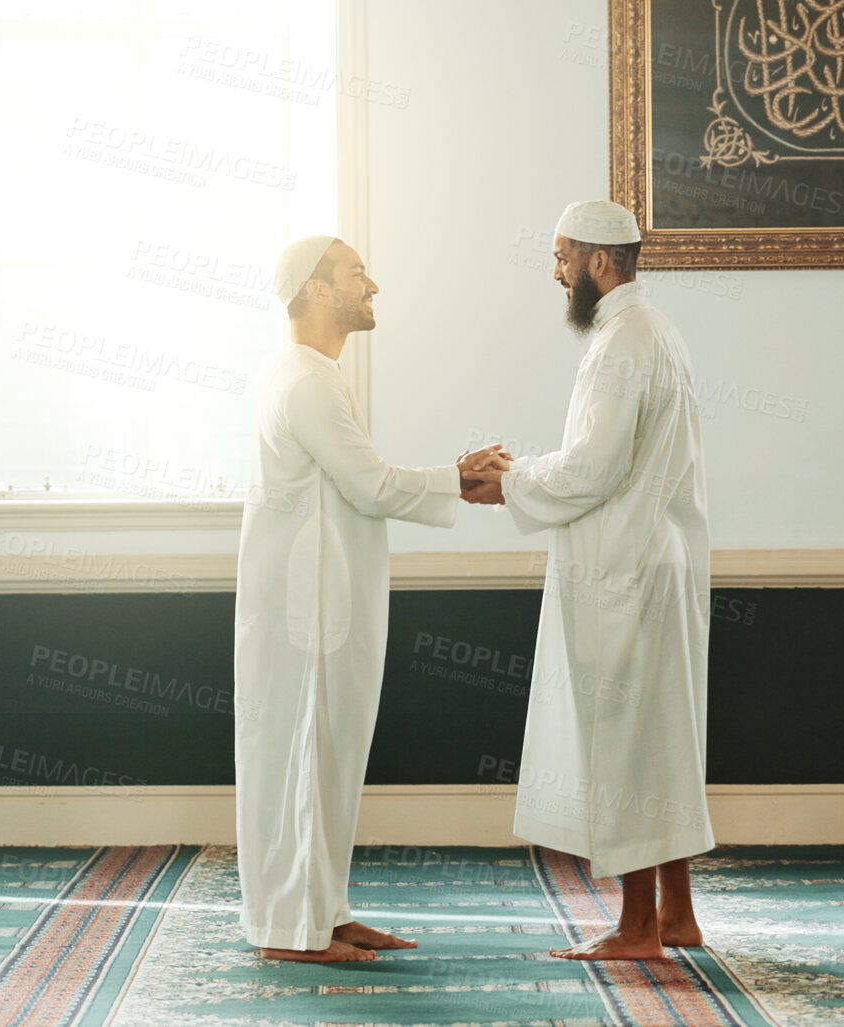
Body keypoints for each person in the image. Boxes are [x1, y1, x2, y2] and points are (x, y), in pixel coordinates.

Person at [235, 235, 508, 963]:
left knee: (324, 758)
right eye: (358, 274)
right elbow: (372, 486)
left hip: (318, 602)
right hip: (310, 610)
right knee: (305, 755)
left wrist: (451, 477)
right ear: (318, 290)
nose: (373, 285)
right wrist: (456, 476)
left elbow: (357, 486)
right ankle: (293, 932)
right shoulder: (307, 380)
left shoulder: (302, 372)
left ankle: (321, 911)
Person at [462, 201, 713, 960]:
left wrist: (509, 478)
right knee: (663, 739)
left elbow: (593, 467)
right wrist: (529, 475)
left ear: (599, 262)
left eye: (560, 255)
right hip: (650, 560)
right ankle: (678, 915)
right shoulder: (653, 331)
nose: (554, 270)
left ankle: (638, 928)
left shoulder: (618, 344)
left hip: (620, 568)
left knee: (623, 747)